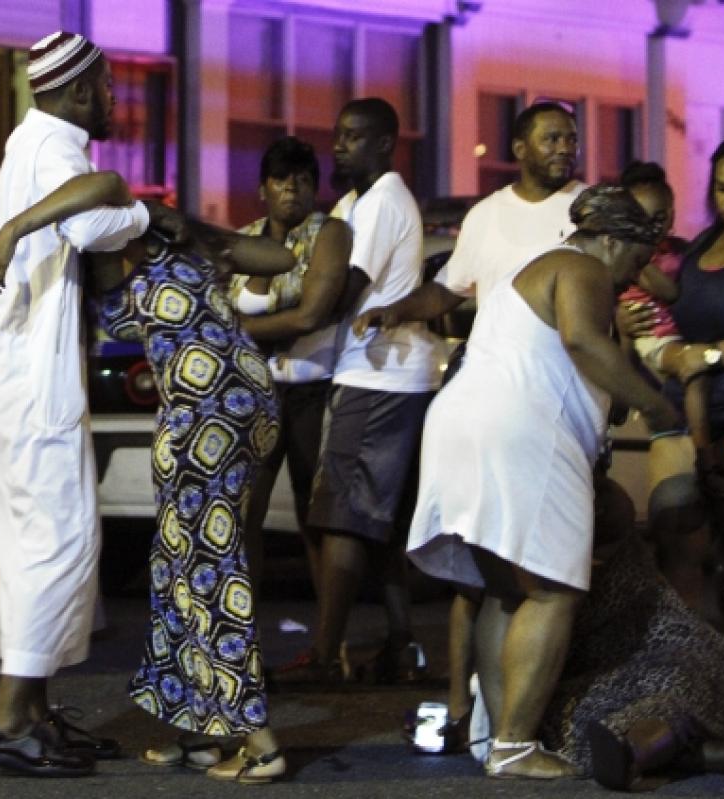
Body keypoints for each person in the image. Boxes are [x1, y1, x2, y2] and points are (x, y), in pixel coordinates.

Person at [0, 171, 298, 784]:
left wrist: (23, 225)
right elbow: (277, 256)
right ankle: (201, 732)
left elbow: (104, 188)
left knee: (206, 565)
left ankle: (259, 740)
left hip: (202, 416)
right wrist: (195, 230)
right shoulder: (197, 258)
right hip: (249, 405)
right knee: (176, 561)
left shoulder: (133, 279)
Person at [406, 185, 683, 780]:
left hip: (463, 422)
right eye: (635, 261)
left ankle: (499, 740)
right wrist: (659, 408)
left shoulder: (526, 269)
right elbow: (581, 343)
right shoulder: (583, 266)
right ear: (610, 240)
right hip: (519, 432)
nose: (634, 277)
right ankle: (514, 744)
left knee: (508, 588)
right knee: (555, 589)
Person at [0, 31, 181, 778]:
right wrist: (140, 210)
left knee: (43, 541)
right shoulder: (59, 150)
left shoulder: (38, 141)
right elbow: (94, 216)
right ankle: (6, 717)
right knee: (55, 541)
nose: (119, 99)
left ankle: (34, 710)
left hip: (10, 365)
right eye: (113, 86)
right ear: (81, 91)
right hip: (27, 373)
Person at [354, 100, 583, 739]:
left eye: (571, 137)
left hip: (561, 402)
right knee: (490, 577)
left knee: (544, 572)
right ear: (518, 146)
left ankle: (524, 720)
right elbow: (451, 289)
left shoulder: (586, 209)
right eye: (551, 138)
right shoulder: (486, 215)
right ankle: (483, 720)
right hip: (499, 402)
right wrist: (396, 309)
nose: (565, 148)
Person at [273, 98, 443, 688]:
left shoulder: (382, 204)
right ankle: (403, 646)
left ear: (385, 143)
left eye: (353, 136)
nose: (339, 144)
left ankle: (322, 658)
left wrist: (274, 320)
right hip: (378, 372)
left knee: (341, 517)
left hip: (378, 375)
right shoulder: (354, 204)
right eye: (337, 133)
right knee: (378, 524)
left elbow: (339, 295)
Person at [621, 130, 724, 701]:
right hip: (688, 415)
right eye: (721, 188)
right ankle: (689, 681)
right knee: (675, 535)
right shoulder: (702, 245)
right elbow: (662, 306)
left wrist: (710, 356)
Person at [539, 475, 724, 791]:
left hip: (685, 659)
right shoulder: (565, 561)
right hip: (618, 672)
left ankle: (635, 750)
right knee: (644, 706)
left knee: (675, 687)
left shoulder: (636, 564)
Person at [227, 136, 352, 595]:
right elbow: (219, 307)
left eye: (303, 180)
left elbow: (310, 316)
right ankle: (242, 639)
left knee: (311, 514)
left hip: (309, 386)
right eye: (281, 179)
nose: (291, 189)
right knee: (245, 512)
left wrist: (238, 328)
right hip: (254, 391)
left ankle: (327, 648)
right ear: (263, 187)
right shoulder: (244, 237)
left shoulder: (327, 234)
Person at [616, 161, 724, 499]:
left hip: (676, 332)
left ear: (672, 213)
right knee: (694, 371)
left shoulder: (679, 249)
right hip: (654, 333)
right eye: (644, 220)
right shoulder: (635, 258)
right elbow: (671, 293)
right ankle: (705, 456)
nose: (654, 227)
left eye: (661, 217)